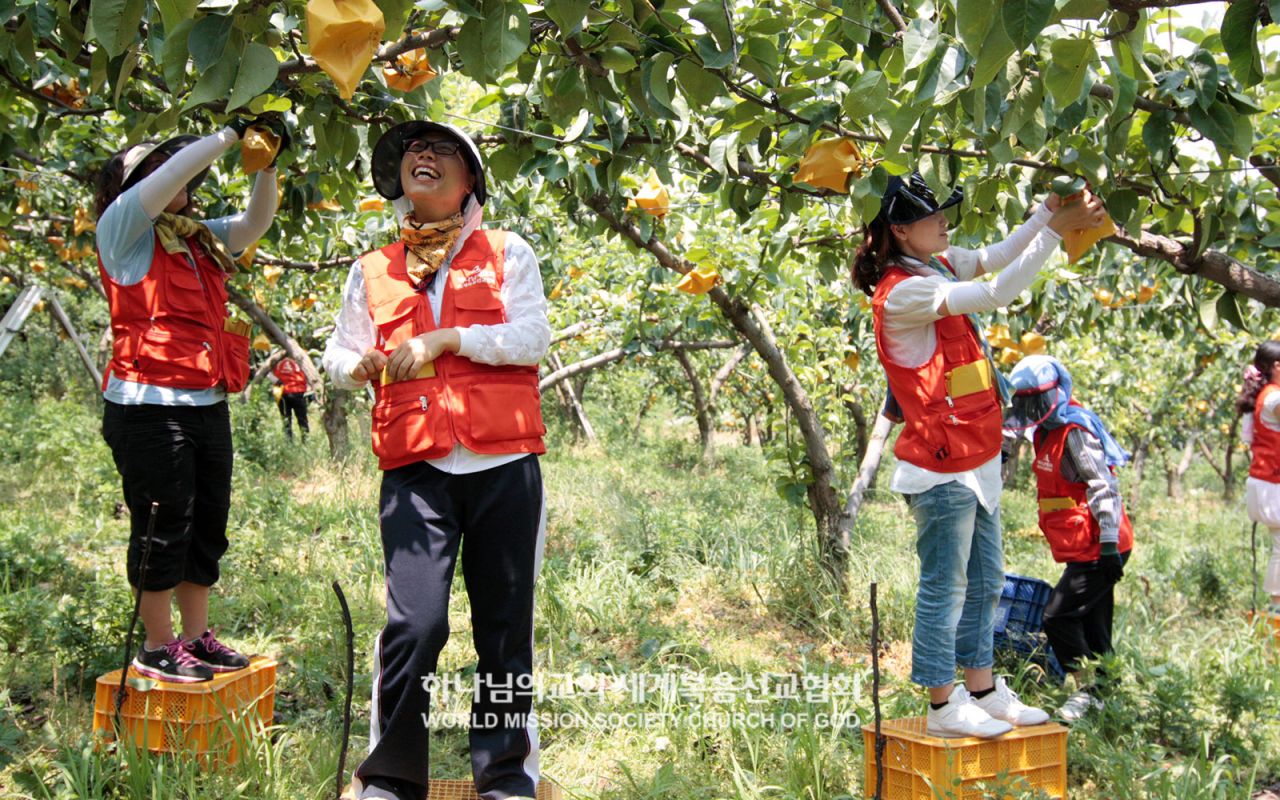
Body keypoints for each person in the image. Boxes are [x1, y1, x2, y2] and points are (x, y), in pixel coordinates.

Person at [323, 120, 550, 800]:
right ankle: (390, 777)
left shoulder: (508, 252)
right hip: (416, 472)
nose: (423, 156)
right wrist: (353, 364)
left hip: (502, 463)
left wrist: (447, 338)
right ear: (398, 180)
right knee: (414, 625)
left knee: (504, 626)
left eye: (441, 150)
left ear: (469, 181)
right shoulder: (372, 269)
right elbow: (335, 352)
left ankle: (506, 776)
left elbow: (533, 337)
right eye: (413, 152)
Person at [852, 172, 1105, 738]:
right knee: (947, 586)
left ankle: (984, 689)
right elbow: (995, 292)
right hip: (940, 466)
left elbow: (991, 259)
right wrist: (1057, 234)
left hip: (976, 455)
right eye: (934, 216)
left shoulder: (933, 265)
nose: (946, 222)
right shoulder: (905, 291)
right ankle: (943, 704)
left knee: (987, 581)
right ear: (900, 230)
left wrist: (1046, 214)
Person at [95, 120, 284, 682]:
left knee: (206, 522)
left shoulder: (195, 237)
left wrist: (268, 165)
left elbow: (255, 222)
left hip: (205, 403)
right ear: (133, 185)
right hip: (146, 405)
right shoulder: (123, 230)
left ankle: (196, 637)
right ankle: (156, 645)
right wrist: (228, 134)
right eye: (155, 167)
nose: (176, 173)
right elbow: (170, 172)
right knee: (163, 520)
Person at [1005, 355, 1133, 723]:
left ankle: (1086, 691)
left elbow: (1102, 486)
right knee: (1094, 622)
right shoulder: (1045, 429)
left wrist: (1108, 545)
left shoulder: (1075, 430)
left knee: (1058, 616)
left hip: (1100, 544)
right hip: (1082, 544)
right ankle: (1108, 696)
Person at [1239, 341, 1280, 615]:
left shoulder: (1266, 394)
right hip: (1271, 484)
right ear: (1277, 367)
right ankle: (1278, 606)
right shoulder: (1274, 399)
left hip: (1265, 482)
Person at [270, 356, 310, 439]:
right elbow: (307, 375)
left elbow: (270, 376)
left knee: (286, 420)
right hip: (298, 392)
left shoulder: (275, 360)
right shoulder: (300, 358)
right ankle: (306, 439)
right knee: (302, 419)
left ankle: (289, 441)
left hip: (283, 393)